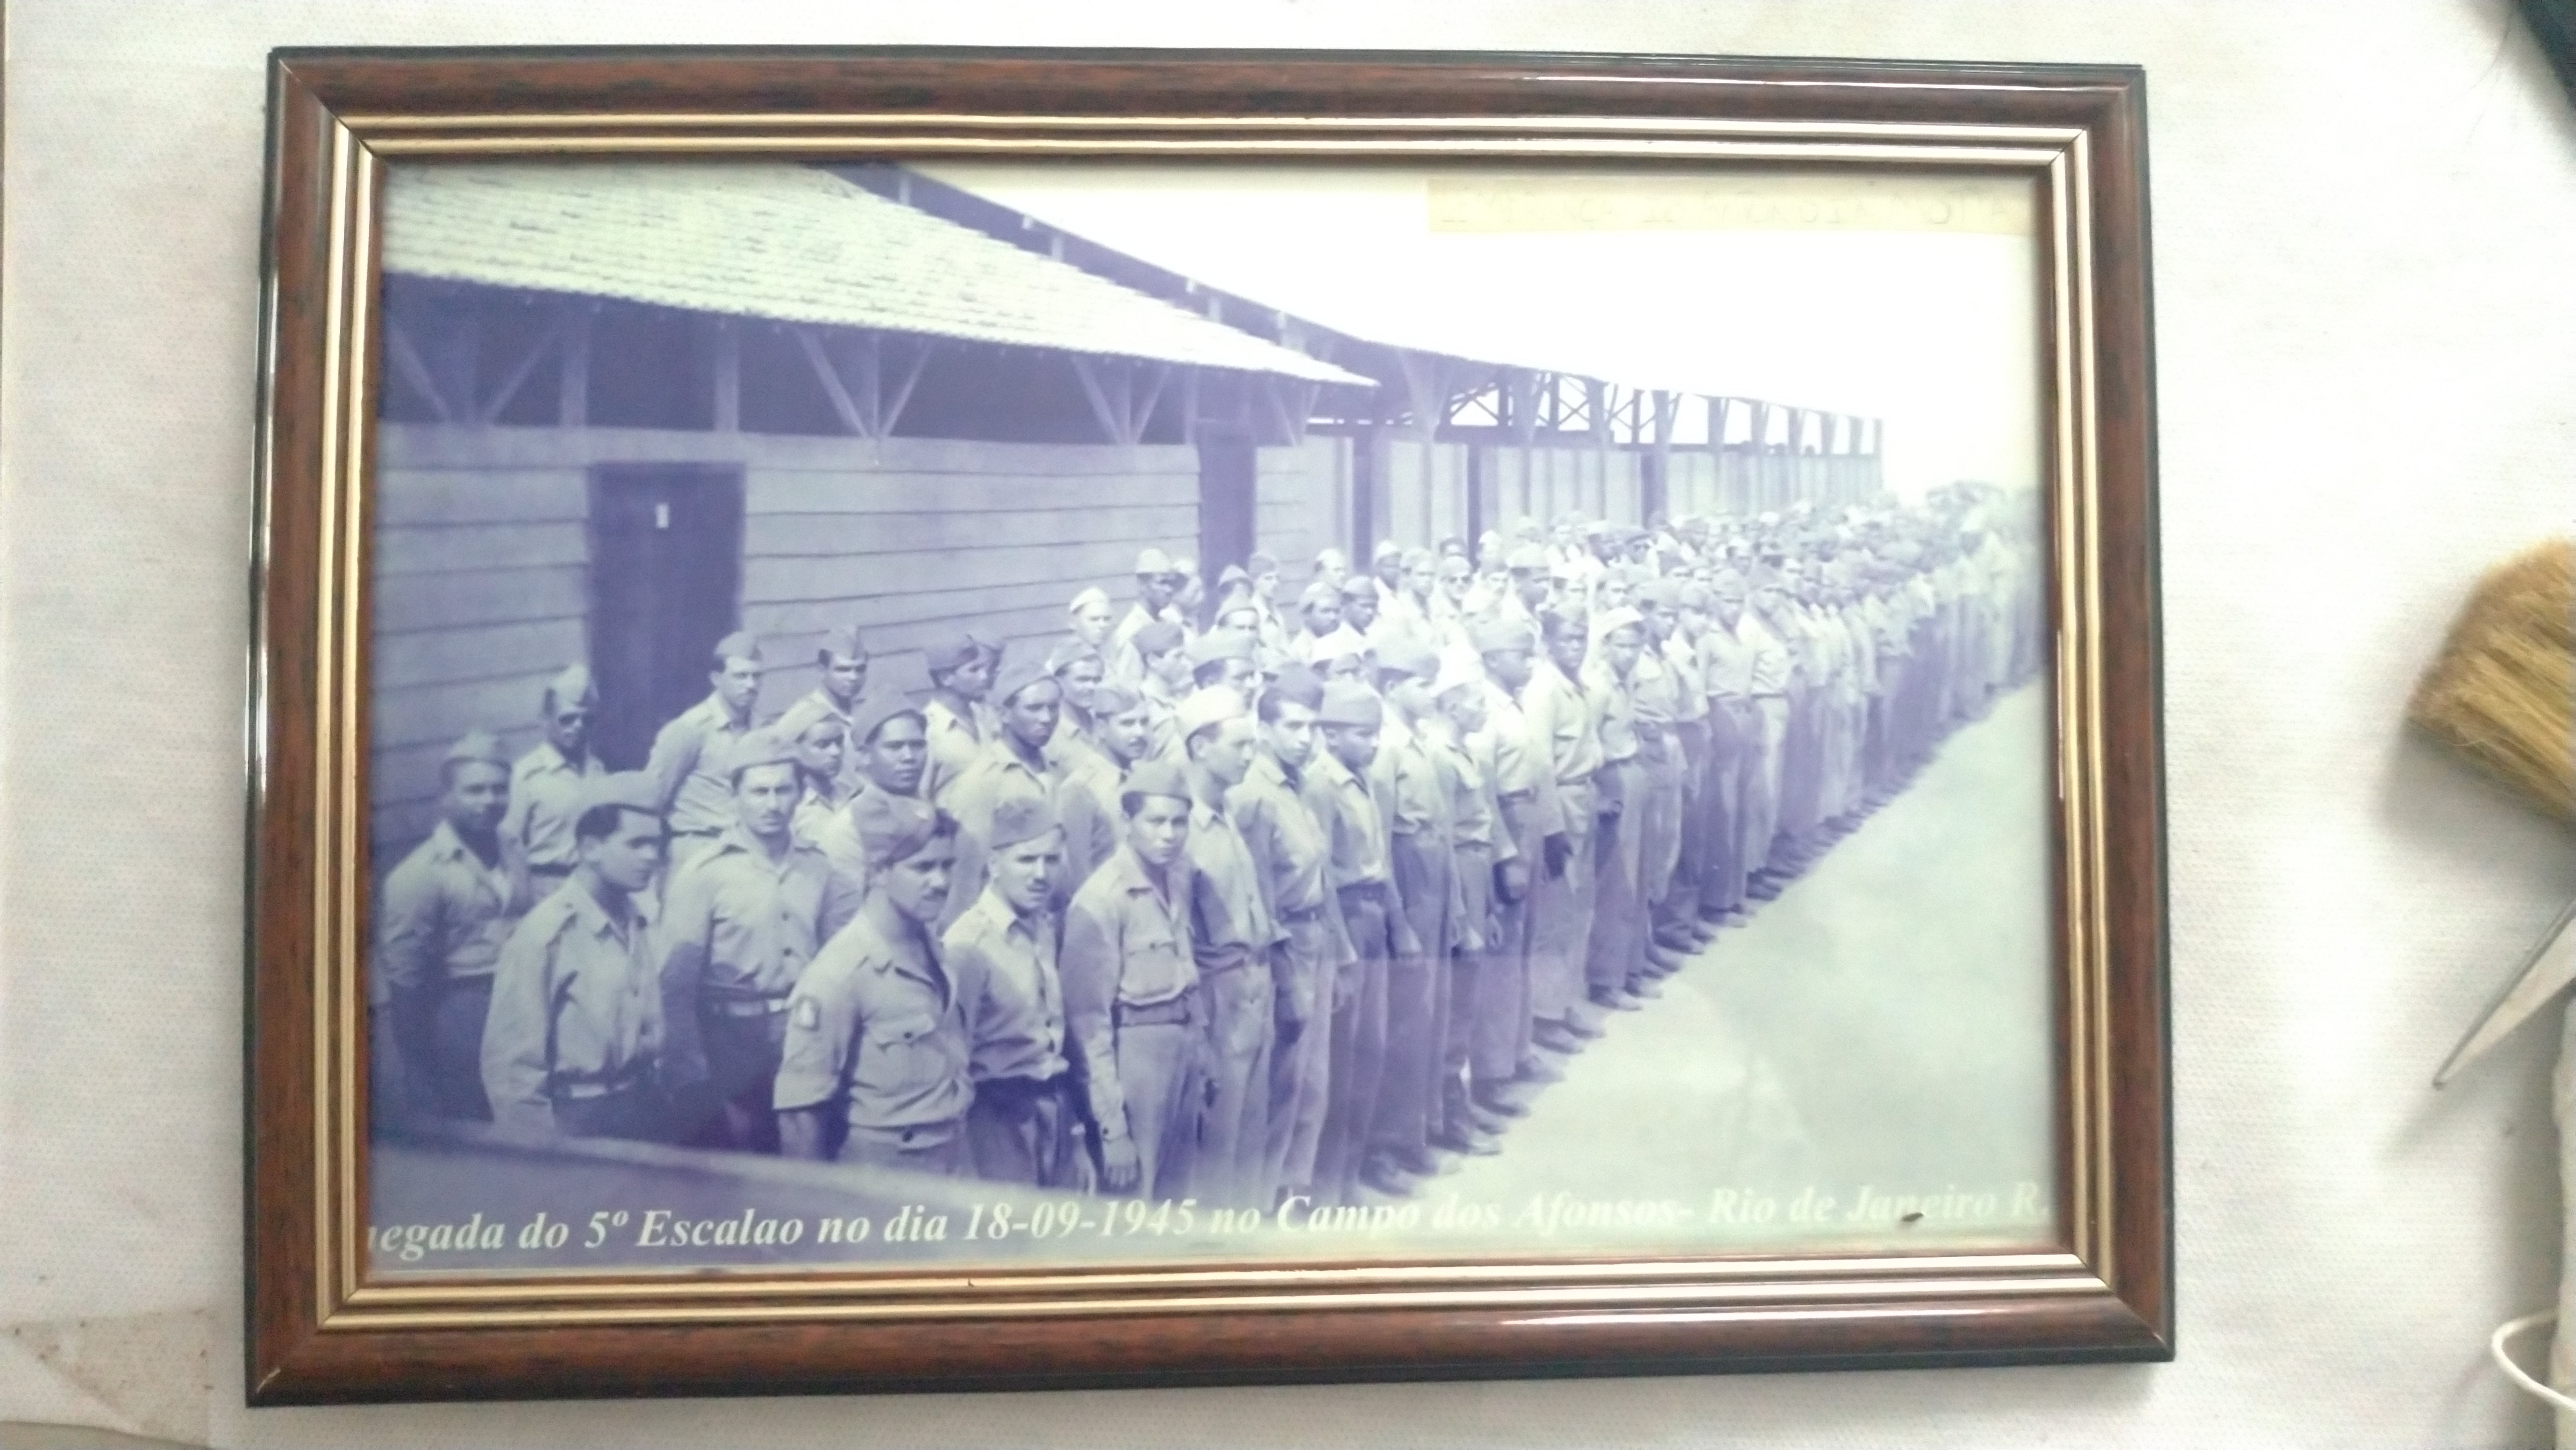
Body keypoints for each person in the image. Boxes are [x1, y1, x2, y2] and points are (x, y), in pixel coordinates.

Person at [659, 729, 859, 1153]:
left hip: (803, 1033)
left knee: (807, 1155)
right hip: (731, 1041)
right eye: (759, 792)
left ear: (800, 794)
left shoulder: (816, 866)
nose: (771, 804)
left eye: (783, 790)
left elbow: (835, 961)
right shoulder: (706, 873)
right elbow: (676, 984)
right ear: (736, 797)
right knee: (747, 1162)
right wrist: (693, 1074)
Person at [775, 792, 972, 1171]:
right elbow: (800, 1115)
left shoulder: (931, 945)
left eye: (948, 866)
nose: (940, 882)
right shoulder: (840, 973)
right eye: (924, 867)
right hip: (887, 1171)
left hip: (953, 1155)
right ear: (879, 870)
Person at [479, 773, 670, 1142]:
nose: (652, 857)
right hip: (578, 1117)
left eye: (657, 845)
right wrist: (542, 1158)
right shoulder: (546, 934)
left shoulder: (636, 918)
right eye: (637, 844)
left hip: (640, 1106)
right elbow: (512, 1070)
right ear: (590, 848)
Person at [1229, 665, 1350, 1207]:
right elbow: (1258, 898)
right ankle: (1270, 1190)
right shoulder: (1254, 795)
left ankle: (1296, 1185)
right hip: (1284, 947)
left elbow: (1321, 876)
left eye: (1312, 727)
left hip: (1316, 934)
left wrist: (1339, 951)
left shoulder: (1302, 784)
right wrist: (1285, 976)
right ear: (1264, 728)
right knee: (1285, 1078)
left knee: (1314, 1077)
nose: (1305, 739)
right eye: (1293, 727)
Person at [1060, 759, 1203, 1199]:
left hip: (1185, 1048)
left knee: (1180, 1198)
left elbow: (1187, 969)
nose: (1169, 834)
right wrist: (1113, 1129)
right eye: (1156, 821)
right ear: (1127, 822)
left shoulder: (1179, 877)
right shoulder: (1101, 899)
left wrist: (1204, 1052)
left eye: (1180, 822)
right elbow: (1089, 1025)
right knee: (1135, 1199)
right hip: (1135, 1057)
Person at [375, 730, 533, 1123]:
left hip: (522, 1007)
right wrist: (420, 1076)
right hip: (463, 1016)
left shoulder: (513, 849)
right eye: (475, 790)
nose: (489, 801)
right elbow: (406, 985)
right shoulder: (420, 875)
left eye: (499, 790)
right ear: (445, 798)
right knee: (476, 1124)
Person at [1303, 681, 1411, 1202]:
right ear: (1331, 736)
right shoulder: (1321, 786)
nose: (1374, 745)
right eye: (1364, 735)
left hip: (1371, 914)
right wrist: (1343, 951)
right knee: (1341, 1058)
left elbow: (1382, 860)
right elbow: (1322, 876)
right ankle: (1328, 1184)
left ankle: (1353, 1171)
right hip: (1342, 920)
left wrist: (1400, 925)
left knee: (1371, 1049)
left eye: (1376, 735)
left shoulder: (1365, 780)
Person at [944, 793, 1087, 1188]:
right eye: (1026, 860)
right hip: (996, 1119)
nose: (1040, 874)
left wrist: (1074, 1136)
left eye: (1051, 860)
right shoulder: (968, 943)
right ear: (994, 865)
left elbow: (1053, 1045)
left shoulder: (1042, 927)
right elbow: (953, 1062)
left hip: (1052, 1112)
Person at [1175, 687, 1278, 1209]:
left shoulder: (1230, 811)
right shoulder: (1182, 830)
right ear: (1198, 747)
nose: (1249, 756)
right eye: (1238, 745)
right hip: (1219, 995)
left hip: (1257, 983)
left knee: (1252, 1130)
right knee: (1219, 1137)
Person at [1367, 636, 1462, 1180]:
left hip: (1434, 874)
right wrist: (1398, 922)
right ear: (1392, 686)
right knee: (1405, 1020)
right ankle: (1387, 1143)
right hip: (1407, 876)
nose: (1431, 693)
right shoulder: (1384, 747)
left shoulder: (1418, 737)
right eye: (1422, 684)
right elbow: (1378, 842)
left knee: (1431, 1012)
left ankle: (1420, 1126)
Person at [1467, 615, 1564, 1106]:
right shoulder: (1483, 709)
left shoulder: (1517, 702)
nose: (1528, 663)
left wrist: (1548, 830)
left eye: (1530, 654)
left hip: (1527, 813)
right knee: (1503, 959)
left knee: (1524, 945)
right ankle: (1491, 1070)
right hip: (1505, 817)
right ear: (1490, 660)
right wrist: (1507, 857)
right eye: (1518, 655)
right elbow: (1485, 792)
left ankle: (1518, 1049)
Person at [1423, 648, 1513, 1153]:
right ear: (1453, 705)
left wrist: (1490, 909)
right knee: (1455, 1006)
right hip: (1456, 878)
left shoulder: (1465, 750)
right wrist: (1465, 917)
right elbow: (1444, 842)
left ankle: (1458, 1103)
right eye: (1476, 700)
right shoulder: (1439, 757)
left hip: (1475, 875)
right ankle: (1449, 1117)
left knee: (1468, 1001)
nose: (1484, 708)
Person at [1525, 609, 1603, 1056]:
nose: (1577, 647)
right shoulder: (1544, 691)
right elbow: (1540, 766)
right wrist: (1553, 828)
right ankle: (1546, 1015)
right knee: (1556, 912)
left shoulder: (1579, 685)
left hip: (1584, 794)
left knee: (1578, 907)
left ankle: (1566, 1001)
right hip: (1561, 803)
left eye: (1582, 638)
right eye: (1569, 640)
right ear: (1549, 643)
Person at [643, 632, 763, 868]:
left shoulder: (762, 728)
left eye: (757, 676)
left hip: (748, 852)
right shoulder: (689, 729)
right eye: (741, 676)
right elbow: (654, 796)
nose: (751, 685)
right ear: (716, 678)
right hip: (697, 849)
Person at [501, 664, 604, 898]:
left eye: (587, 720)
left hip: (591, 886)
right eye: (567, 719)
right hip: (546, 887)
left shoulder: (597, 770)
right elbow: (510, 841)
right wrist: (523, 897)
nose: (578, 726)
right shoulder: (527, 774)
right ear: (545, 721)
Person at [814, 693, 930, 901]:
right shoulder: (848, 829)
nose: (909, 757)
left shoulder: (929, 811)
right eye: (895, 747)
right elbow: (845, 914)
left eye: (917, 746)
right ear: (865, 755)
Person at [1056, 680, 1156, 904]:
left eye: (1145, 722)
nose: (1140, 733)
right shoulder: (1080, 788)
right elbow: (1076, 874)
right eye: (1128, 724)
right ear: (1101, 729)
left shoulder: (1139, 777)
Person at [920, 634, 999, 810]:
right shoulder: (928, 729)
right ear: (945, 678)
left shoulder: (985, 716)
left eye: (985, 669)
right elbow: (922, 796)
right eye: (974, 670)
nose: (984, 677)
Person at [796, 627, 871, 796]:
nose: (853, 678)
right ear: (822, 670)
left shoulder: (858, 713)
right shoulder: (805, 716)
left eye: (860, 669)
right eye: (843, 670)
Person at [771, 694, 849, 851]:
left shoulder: (849, 792)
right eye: (823, 745)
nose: (836, 752)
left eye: (839, 742)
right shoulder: (790, 805)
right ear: (795, 749)